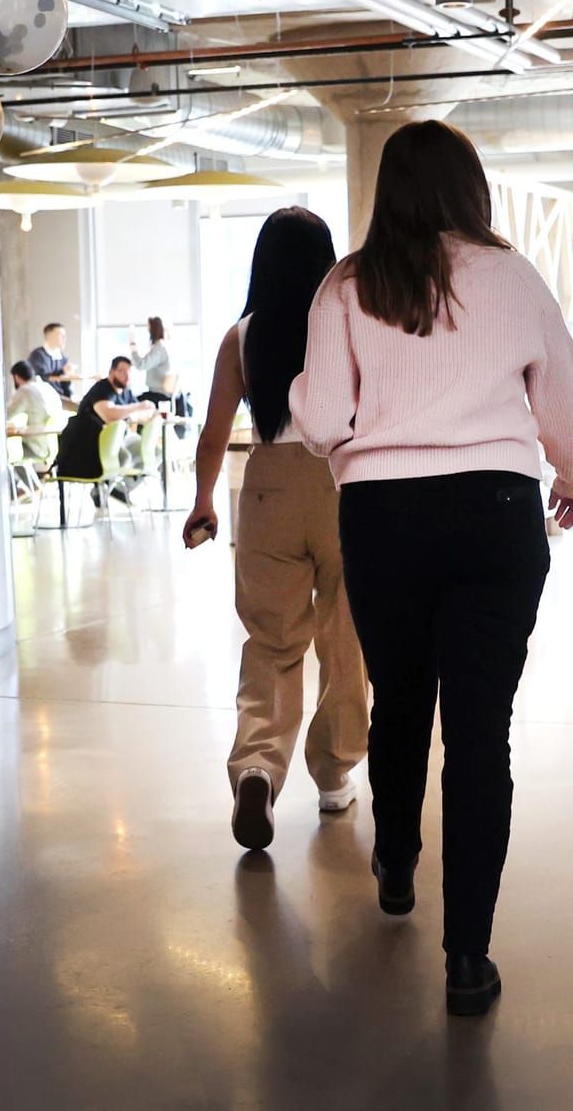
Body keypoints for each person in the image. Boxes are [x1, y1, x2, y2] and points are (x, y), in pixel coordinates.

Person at [291, 120, 573, 1020]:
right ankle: (468, 957)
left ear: (387, 190)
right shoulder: (513, 275)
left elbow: (321, 418)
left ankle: (394, 865)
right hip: (496, 514)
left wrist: (364, 425)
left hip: (383, 515)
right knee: (480, 733)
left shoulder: (346, 284)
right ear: (472, 190)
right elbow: (565, 404)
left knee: (398, 696)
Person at [182, 210, 368, 853]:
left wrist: (203, 501)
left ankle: (258, 767)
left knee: (271, 640)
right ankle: (334, 772)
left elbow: (213, 433)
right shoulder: (347, 327)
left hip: (265, 490)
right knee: (347, 638)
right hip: (342, 484)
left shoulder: (242, 335)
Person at [52, 356, 155, 504]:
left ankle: (114, 489)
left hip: (116, 442)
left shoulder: (126, 392)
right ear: (111, 372)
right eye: (122, 371)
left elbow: (143, 413)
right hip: (87, 446)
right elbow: (109, 415)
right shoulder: (102, 389)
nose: (127, 376)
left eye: (129, 372)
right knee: (125, 456)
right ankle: (108, 489)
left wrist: (136, 411)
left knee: (152, 452)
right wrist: (135, 409)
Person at [5, 361, 63, 465]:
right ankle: (30, 481)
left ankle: (17, 481)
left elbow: (7, 414)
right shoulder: (47, 387)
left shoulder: (25, 390)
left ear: (16, 377)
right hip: (54, 446)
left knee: (6, 452)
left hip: (36, 446)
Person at [26, 322, 77, 401]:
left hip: (61, 397)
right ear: (49, 336)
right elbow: (41, 378)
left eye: (65, 336)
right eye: (61, 335)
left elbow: (65, 383)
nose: (64, 338)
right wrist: (63, 372)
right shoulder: (37, 355)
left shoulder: (62, 357)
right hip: (44, 398)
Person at [130, 316, 174, 407]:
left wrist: (133, 346)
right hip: (159, 393)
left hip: (159, 395)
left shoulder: (159, 348)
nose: (147, 330)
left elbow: (141, 365)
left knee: (129, 404)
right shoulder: (163, 347)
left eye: (148, 328)